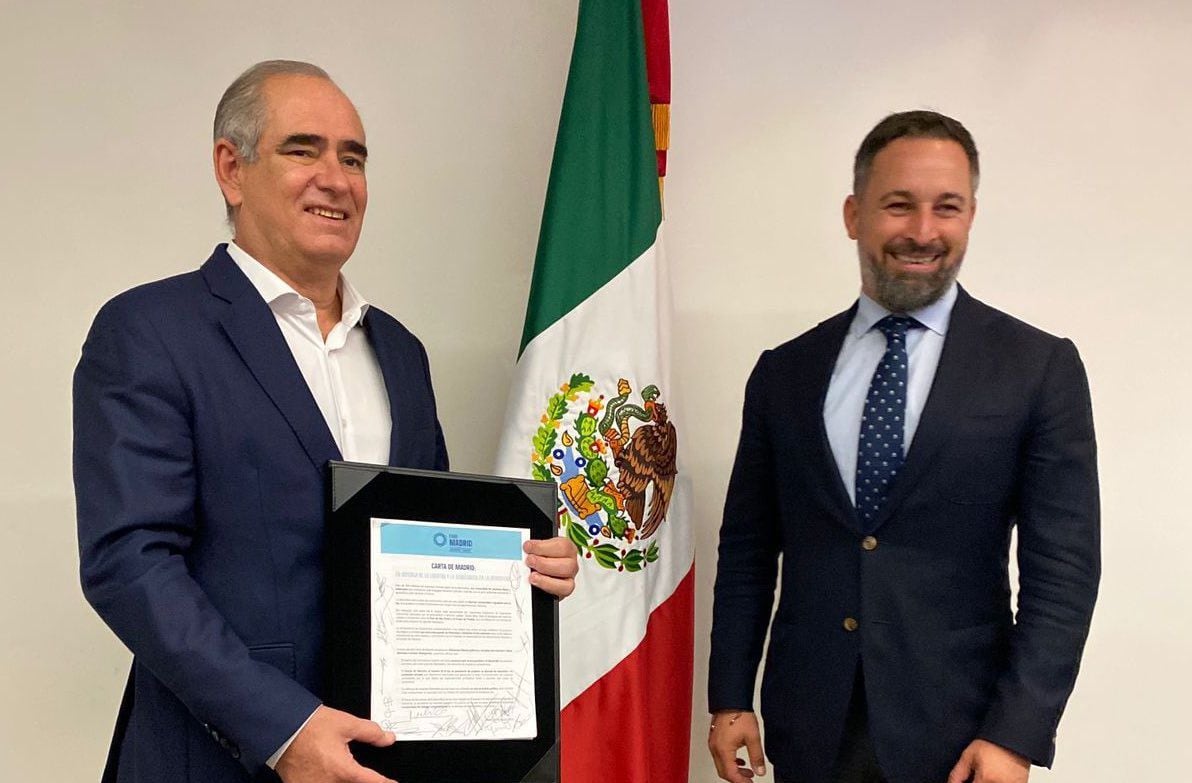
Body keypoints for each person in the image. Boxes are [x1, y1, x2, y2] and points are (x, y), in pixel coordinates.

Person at [73, 60, 579, 783]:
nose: (336, 179)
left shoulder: (401, 352)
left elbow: (425, 543)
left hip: (389, 758)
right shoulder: (150, 331)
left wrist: (519, 566)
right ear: (231, 169)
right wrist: (284, 729)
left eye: (354, 158)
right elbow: (130, 565)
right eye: (303, 149)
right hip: (213, 762)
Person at [706, 111, 1099, 783]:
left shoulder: (1038, 368)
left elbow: (1063, 573)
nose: (922, 231)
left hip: (962, 738)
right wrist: (730, 696)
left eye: (947, 207)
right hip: (809, 729)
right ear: (853, 215)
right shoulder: (784, 373)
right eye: (898, 205)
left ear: (970, 215)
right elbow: (747, 549)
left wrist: (1016, 734)